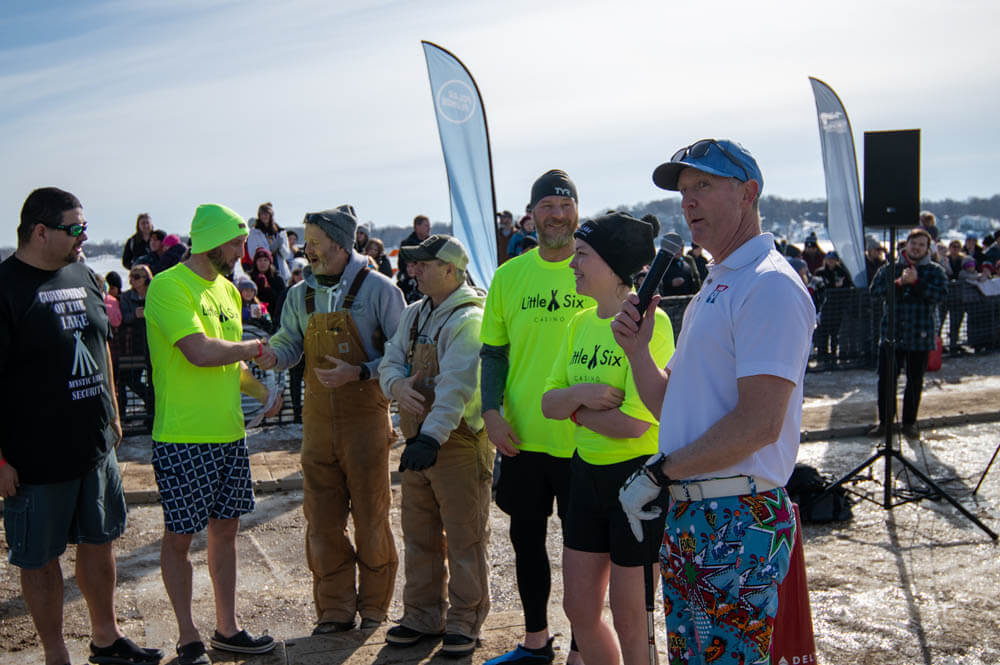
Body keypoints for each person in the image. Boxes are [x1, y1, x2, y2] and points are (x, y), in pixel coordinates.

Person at [613, 139, 814, 665]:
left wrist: (659, 473)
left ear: (748, 193)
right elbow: (672, 409)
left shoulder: (769, 286)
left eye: (703, 184)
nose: (689, 201)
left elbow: (759, 424)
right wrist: (637, 352)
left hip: (738, 515)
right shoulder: (718, 284)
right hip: (695, 511)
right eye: (684, 190)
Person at [1, 187, 162, 665]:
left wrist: (112, 410)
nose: (84, 237)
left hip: (94, 446)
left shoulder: (84, 274)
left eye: (85, 227)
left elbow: (100, 343)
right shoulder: (6, 288)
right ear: (40, 231)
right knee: (40, 558)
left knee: (100, 540)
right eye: (75, 228)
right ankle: (55, 654)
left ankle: (106, 639)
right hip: (34, 457)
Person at [256, 204, 404, 635]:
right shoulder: (299, 294)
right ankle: (335, 610)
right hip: (317, 425)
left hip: (365, 422)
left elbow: (402, 352)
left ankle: (374, 606)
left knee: (371, 518)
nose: (307, 250)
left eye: (315, 243)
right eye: (306, 242)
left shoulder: (380, 290)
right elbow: (289, 343)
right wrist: (272, 356)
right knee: (321, 522)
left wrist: (359, 372)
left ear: (340, 245)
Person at [144, 203, 281, 665]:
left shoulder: (228, 290)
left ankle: (228, 628)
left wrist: (262, 391)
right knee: (180, 537)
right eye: (237, 243)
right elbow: (200, 352)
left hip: (229, 434)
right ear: (211, 242)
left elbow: (231, 363)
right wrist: (254, 347)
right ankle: (188, 638)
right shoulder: (168, 286)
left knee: (226, 531)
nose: (244, 251)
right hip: (183, 437)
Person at [541, 212, 675, 665]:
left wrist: (574, 410)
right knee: (578, 609)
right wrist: (583, 396)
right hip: (585, 477)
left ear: (614, 266)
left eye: (582, 254)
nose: (572, 263)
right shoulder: (579, 322)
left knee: (631, 618)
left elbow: (635, 423)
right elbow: (548, 403)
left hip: (637, 481)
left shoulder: (651, 323)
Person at [480, 169, 593, 665]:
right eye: (547, 205)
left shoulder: (598, 269)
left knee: (584, 552)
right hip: (522, 436)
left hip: (585, 440)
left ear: (577, 212)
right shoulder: (509, 276)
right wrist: (490, 412)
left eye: (565, 205)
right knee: (526, 542)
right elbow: (493, 352)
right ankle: (535, 642)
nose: (557, 215)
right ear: (532, 214)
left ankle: (583, 647)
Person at [378, 234, 492, 657]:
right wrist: (396, 385)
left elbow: (457, 386)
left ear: (450, 270)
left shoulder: (469, 320)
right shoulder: (414, 313)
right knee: (419, 533)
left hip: (457, 441)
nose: (414, 271)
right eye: (414, 264)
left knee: (465, 537)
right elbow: (390, 359)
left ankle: (465, 618)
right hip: (418, 441)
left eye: (423, 265)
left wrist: (430, 436)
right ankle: (423, 615)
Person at [867, 228, 948, 440]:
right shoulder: (889, 269)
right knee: (886, 381)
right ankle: (886, 423)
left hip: (920, 335)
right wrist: (900, 283)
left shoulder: (935, 271)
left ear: (927, 249)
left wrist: (917, 283)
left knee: (914, 381)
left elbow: (940, 296)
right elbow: (874, 293)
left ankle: (909, 423)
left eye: (921, 245)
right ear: (906, 244)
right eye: (914, 243)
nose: (917, 248)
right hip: (891, 334)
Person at [119, 263, 156, 418]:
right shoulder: (126, 297)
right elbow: (123, 318)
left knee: (154, 380)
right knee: (130, 378)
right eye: (131, 277)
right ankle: (150, 401)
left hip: (152, 342)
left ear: (146, 278)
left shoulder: (155, 294)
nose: (132, 280)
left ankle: (152, 411)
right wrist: (135, 315)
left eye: (136, 277)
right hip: (134, 344)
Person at [814, 251, 855, 364]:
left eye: (833, 259)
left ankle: (833, 356)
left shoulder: (842, 272)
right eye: (829, 259)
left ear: (837, 261)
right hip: (824, 307)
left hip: (838, 307)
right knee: (823, 332)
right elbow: (818, 286)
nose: (831, 262)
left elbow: (849, 286)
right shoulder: (820, 272)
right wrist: (833, 285)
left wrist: (841, 286)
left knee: (835, 333)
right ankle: (822, 356)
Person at [247, 202, 292, 283]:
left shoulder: (280, 231)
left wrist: (280, 246)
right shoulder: (254, 232)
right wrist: (269, 251)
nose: (264, 216)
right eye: (262, 214)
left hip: (280, 269)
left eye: (266, 214)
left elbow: (286, 255)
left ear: (271, 215)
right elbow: (253, 254)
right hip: (263, 270)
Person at [397, 214, 432, 303]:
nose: (429, 228)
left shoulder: (432, 244)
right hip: (410, 285)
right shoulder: (406, 245)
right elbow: (402, 265)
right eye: (426, 225)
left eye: (429, 225)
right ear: (417, 226)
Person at [248, 246, 286, 323]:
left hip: (274, 316)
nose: (263, 263)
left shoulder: (277, 278)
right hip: (254, 316)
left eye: (265, 260)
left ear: (270, 262)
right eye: (260, 260)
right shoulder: (249, 278)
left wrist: (267, 288)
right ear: (256, 262)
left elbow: (281, 299)